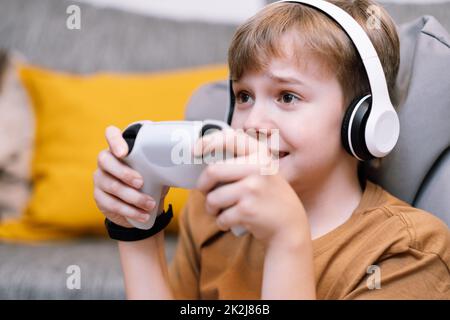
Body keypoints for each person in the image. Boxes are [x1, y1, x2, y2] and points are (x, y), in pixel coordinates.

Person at [93, 0, 450, 299]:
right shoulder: (210, 210)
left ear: (363, 120)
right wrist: (136, 227)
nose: (252, 123)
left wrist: (286, 240)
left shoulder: (408, 251)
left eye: (287, 96)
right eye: (244, 96)